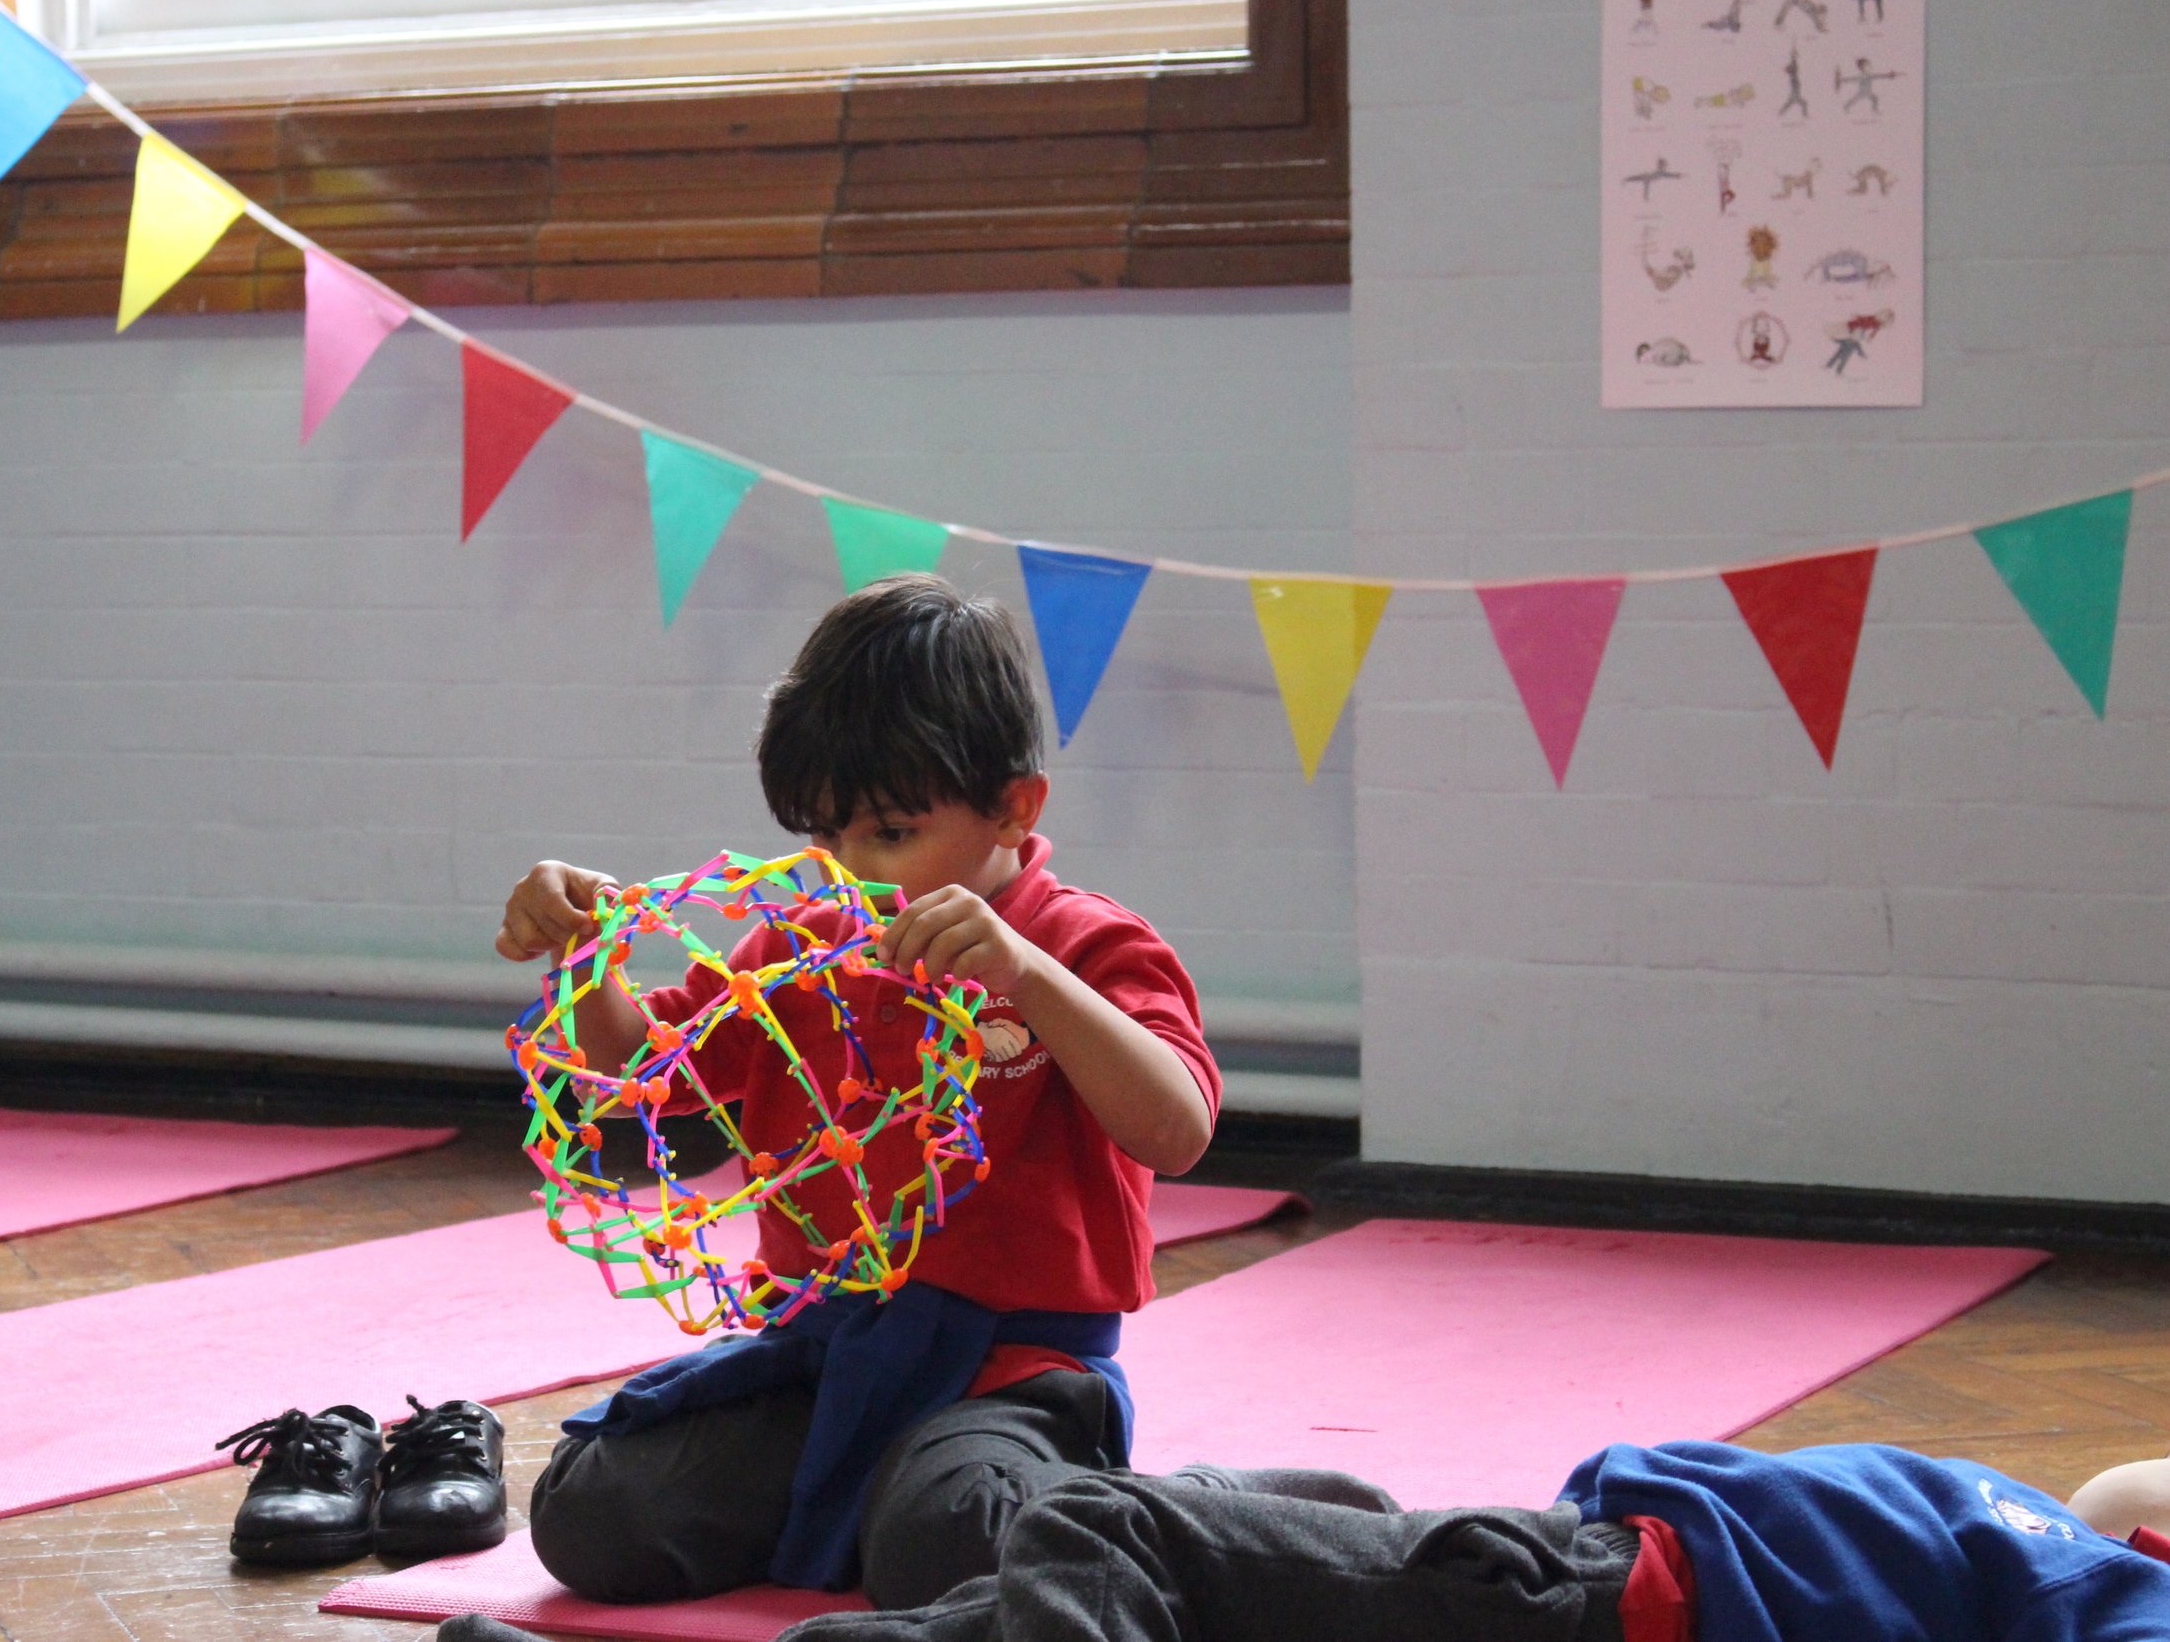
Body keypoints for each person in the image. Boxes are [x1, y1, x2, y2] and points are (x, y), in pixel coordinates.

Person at [493, 574, 1221, 1608]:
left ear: (1015, 806)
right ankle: (873, 1498)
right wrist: (581, 951)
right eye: (825, 837)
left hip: (1013, 1372)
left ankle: (1163, 1521)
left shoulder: (1084, 943)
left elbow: (1177, 1131)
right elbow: (640, 1076)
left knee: (951, 1540)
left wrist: (1030, 977)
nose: (849, 868)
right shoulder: (800, 941)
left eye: (888, 833)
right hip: (824, 1358)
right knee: (595, 1512)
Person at [434, 1441, 2170, 1642]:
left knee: (1105, 1525)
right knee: (1214, 1544)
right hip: (1557, 1554)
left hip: (1592, 1594)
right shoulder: (2103, 1542)